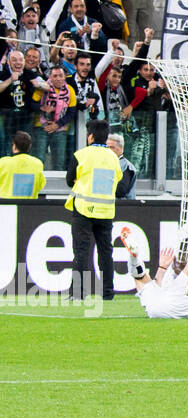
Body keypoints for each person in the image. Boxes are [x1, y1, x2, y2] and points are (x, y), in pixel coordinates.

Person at [65, 119, 129, 300]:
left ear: (91, 136)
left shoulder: (81, 155)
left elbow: (70, 180)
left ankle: (77, 293)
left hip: (84, 209)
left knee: (81, 251)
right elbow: (117, 181)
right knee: (106, 252)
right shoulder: (113, 158)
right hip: (106, 211)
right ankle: (108, 292)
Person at [119, 228, 188, 319]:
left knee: (140, 277)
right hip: (186, 306)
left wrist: (162, 268)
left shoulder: (171, 277)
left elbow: (155, 288)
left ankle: (134, 258)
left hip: (157, 310)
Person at [0, 130, 44, 198]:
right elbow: (40, 185)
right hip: (28, 206)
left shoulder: (3, 162)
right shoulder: (38, 163)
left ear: (14, 145)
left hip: (6, 206)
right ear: (30, 146)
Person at [105, 133, 137, 199]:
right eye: (107, 147)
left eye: (112, 147)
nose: (108, 150)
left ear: (121, 148)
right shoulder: (105, 163)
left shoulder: (126, 167)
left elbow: (120, 190)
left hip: (122, 206)